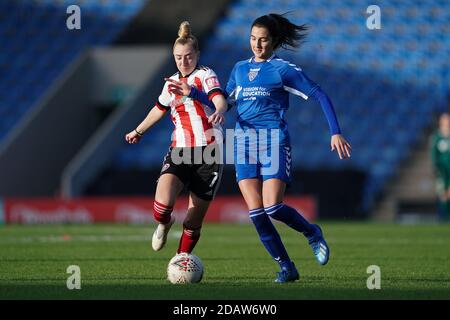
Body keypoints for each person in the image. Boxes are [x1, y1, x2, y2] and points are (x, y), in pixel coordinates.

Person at [225, 13, 351, 282]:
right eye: (253, 39)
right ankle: (287, 268)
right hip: (244, 144)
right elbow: (224, 102)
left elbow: (320, 94)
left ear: (274, 41)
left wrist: (335, 132)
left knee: (272, 207)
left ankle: (311, 232)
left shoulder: (283, 69)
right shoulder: (238, 70)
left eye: (263, 40)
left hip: (273, 142)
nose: (257, 45)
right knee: (256, 214)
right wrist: (195, 94)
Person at [125, 21, 227, 255]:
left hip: (209, 153)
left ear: (197, 55)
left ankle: (182, 260)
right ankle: (165, 223)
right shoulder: (171, 82)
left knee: (193, 220)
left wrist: (220, 110)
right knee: (160, 208)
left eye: (189, 56)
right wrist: (138, 131)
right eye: (178, 57)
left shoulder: (205, 75)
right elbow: (159, 109)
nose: (184, 61)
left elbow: (217, 98)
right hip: (180, 150)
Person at [430, 112, 450, 221]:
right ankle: (443, 217)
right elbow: (434, 154)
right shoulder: (437, 137)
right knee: (443, 193)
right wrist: (436, 167)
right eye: (445, 119)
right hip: (442, 170)